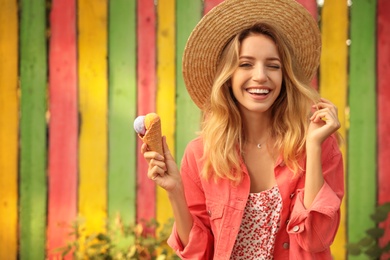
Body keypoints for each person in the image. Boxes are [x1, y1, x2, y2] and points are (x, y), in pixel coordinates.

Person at [141, 0, 344, 259]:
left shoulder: (319, 144)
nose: (260, 76)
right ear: (228, 76)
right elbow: (198, 253)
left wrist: (313, 148)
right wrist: (175, 191)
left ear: (286, 77)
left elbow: (317, 239)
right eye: (246, 64)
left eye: (273, 65)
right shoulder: (200, 154)